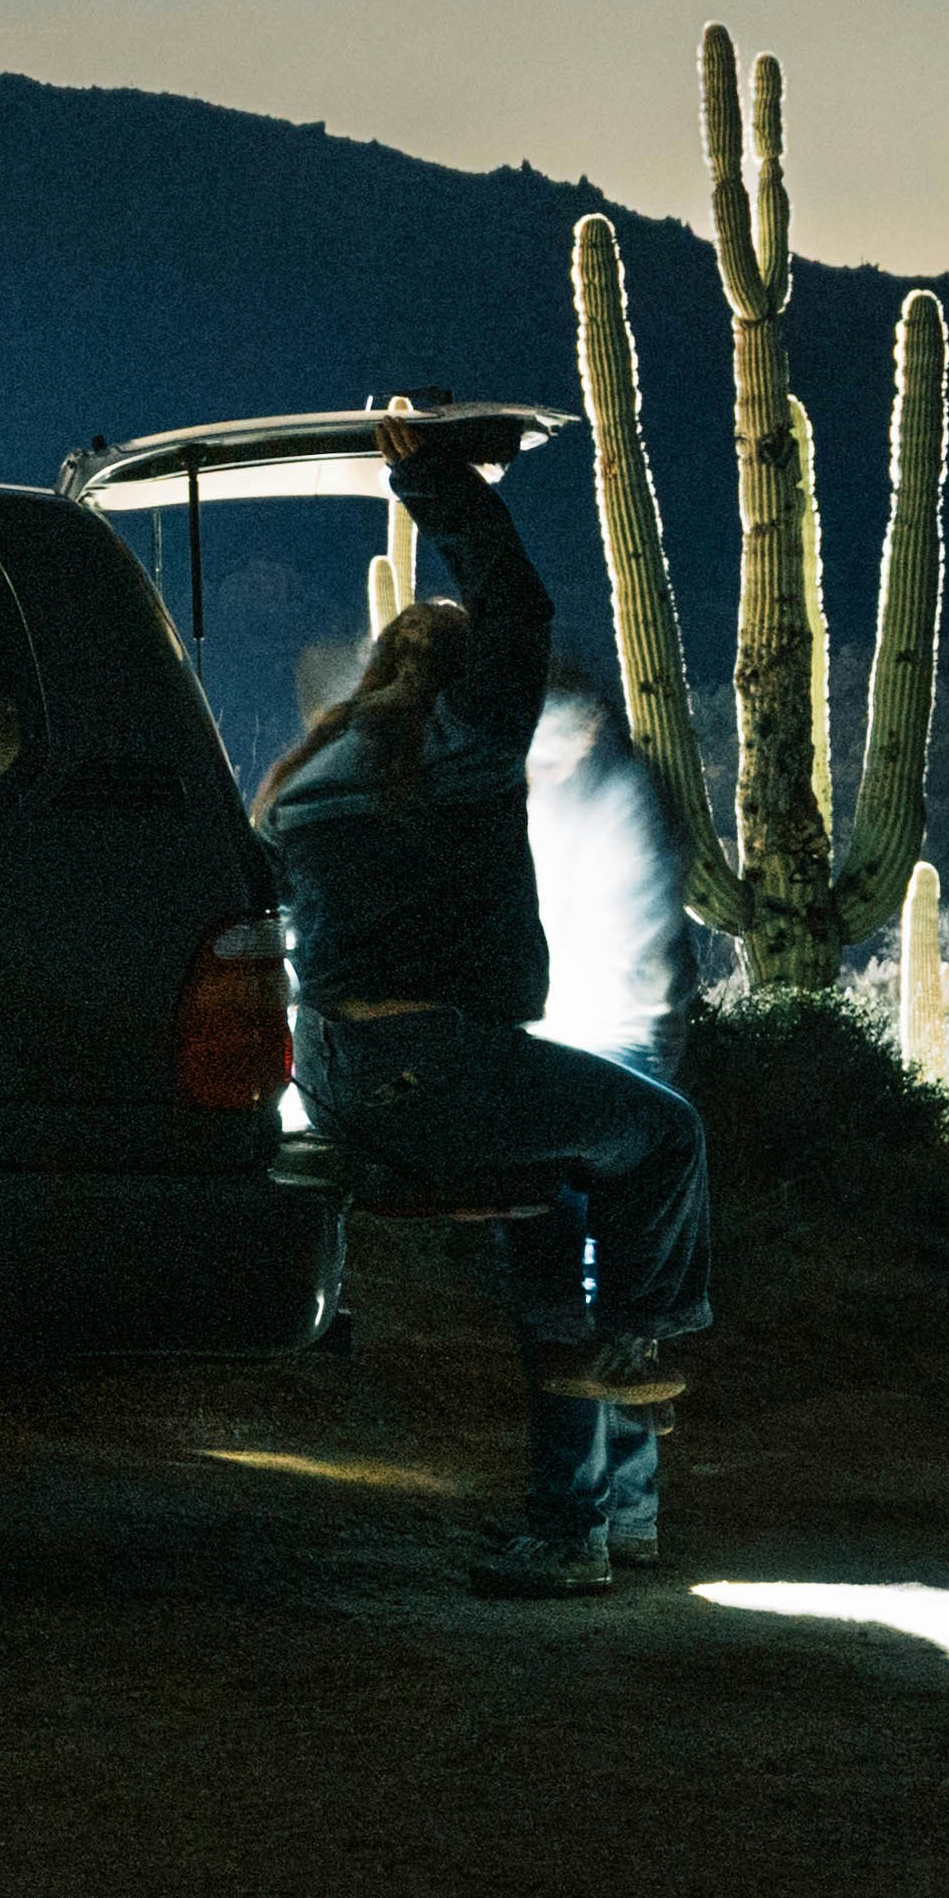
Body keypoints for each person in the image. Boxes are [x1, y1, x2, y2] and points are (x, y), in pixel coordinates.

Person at [257, 409, 714, 1601]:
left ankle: (594, 1520)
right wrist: (438, 485)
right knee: (662, 1131)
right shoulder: (462, 747)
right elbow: (518, 611)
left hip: (341, 1079)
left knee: (557, 1206)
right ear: (463, 684)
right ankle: (640, 1350)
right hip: (440, 1064)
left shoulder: (305, 781)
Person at [518, 655, 703, 1585]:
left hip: (581, 1077)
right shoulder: (631, 792)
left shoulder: (584, 807)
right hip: (635, 1081)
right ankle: (628, 1513)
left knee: (562, 1304)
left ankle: (571, 1524)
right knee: (620, 1307)